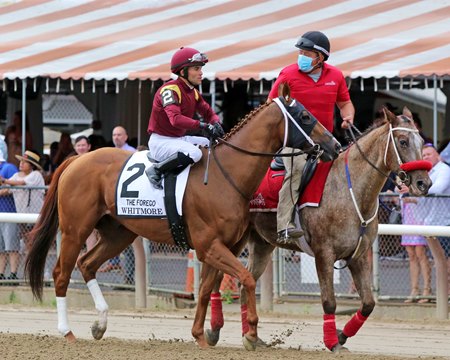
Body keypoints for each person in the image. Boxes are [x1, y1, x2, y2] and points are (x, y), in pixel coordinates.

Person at [268, 31, 354, 241]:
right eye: (301, 52)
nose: (301, 56)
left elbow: (344, 103)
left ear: (320, 57)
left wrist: (348, 116)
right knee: (296, 170)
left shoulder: (336, 76)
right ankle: (284, 225)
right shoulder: (288, 75)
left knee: (347, 169)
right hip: (295, 141)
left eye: (307, 52)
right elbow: (271, 105)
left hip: (325, 140)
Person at [146, 46, 223, 189]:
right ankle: (156, 169)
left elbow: (207, 112)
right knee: (195, 153)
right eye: (196, 69)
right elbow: (175, 119)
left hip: (177, 139)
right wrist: (202, 126)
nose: (201, 73)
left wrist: (216, 123)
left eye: (201, 68)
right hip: (161, 142)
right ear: (183, 71)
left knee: (209, 143)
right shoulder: (169, 90)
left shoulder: (192, 91)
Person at [1, 150, 45, 271]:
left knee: (34, 245)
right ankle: (30, 271)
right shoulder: (16, 176)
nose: (21, 163)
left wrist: (4, 180)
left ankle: (40, 272)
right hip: (22, 218)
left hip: (35, 217)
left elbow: (20, 183)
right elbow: (6, 190)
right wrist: (3, 182)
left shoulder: (36, 175)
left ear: (32, 165)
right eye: (21, 161)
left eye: (25, 162)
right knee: (27, 245)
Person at [420, 143, 450, 296]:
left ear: (438, 156)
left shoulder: (444, 170)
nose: (426, 158)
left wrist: (416, 190)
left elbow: (438, 189)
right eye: (423, 156)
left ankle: (447, 296)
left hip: (444, 223)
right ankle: (444, 295)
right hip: (431, 222)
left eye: (429, 154)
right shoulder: (427, 173)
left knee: (446, 262)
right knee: (439, 262)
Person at [0, 153, 19, 283]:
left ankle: (13, 274)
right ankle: (1, 274)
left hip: (10, 212)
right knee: (1, 248)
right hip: (2, 214)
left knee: (11, 246)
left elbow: (14, 187)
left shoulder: (9, 167)